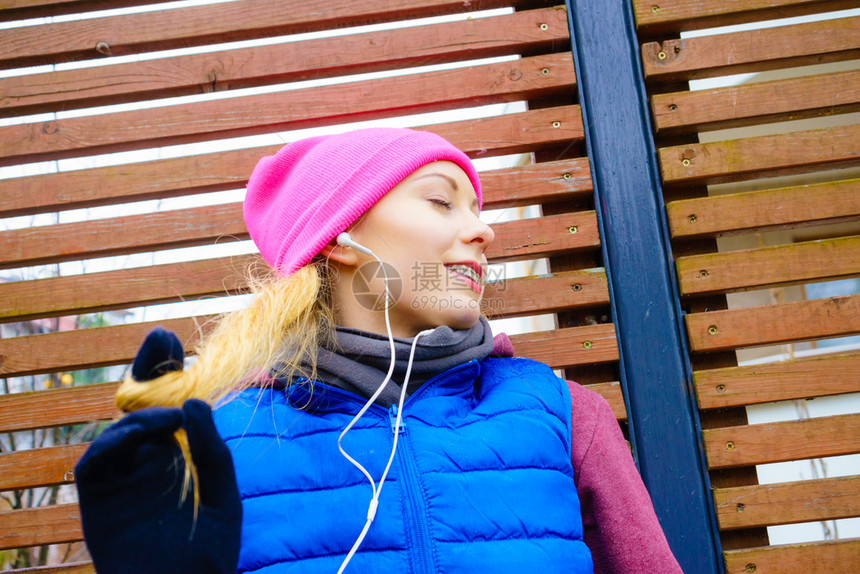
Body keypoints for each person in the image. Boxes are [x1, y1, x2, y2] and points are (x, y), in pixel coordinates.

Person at [75, 128, 683, 574]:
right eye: (442, 201)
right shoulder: (223, 440)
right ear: (341, 238)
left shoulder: (565, 415)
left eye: (478, 210)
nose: (484, 231)